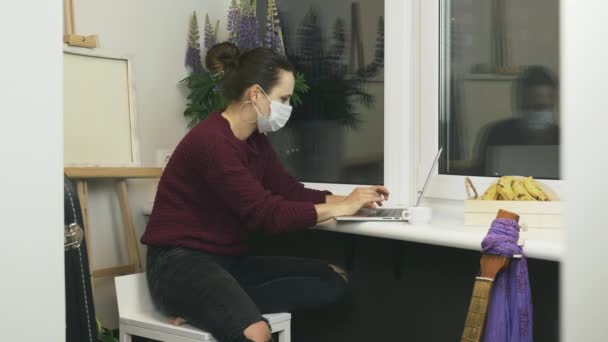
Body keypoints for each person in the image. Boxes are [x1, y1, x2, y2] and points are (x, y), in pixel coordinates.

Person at [140, 42, 390, 342]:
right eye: (284, 98)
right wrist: (340, 208)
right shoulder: (212, 143)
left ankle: (214, 305)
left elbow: (289, 191)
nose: (289, 107)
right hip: (179, 266)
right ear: (255, 94)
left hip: (227, 263)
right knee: (256, 333)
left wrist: (356, 200)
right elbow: (264, 213)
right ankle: (204, 303)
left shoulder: (254, 141)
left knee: (333, 280)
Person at [473, 65, 560, 178]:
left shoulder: (563, 139)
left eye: (542, 106)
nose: (538, 112)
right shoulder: (497, 135)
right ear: (520, 104)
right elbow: (481, 179)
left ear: (553, 105)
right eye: (531, 106)